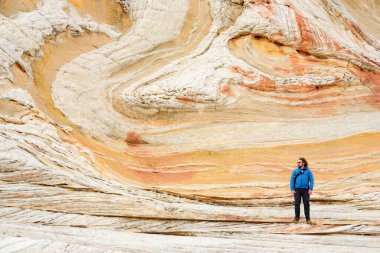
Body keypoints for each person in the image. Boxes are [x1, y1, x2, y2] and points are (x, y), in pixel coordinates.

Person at [290, 157, 314, 224]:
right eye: (297, 162)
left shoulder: (308, 171)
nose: (298, 163)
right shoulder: (295, 171)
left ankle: (308, 219)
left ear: (303, 163)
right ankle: (296, 218)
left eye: (299, 162)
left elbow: (312, 180)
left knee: (306, 204)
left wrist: (311, 189)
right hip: (297, 190)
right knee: (297, 204)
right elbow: (292, 180)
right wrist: (292, 189)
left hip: (305, 190)